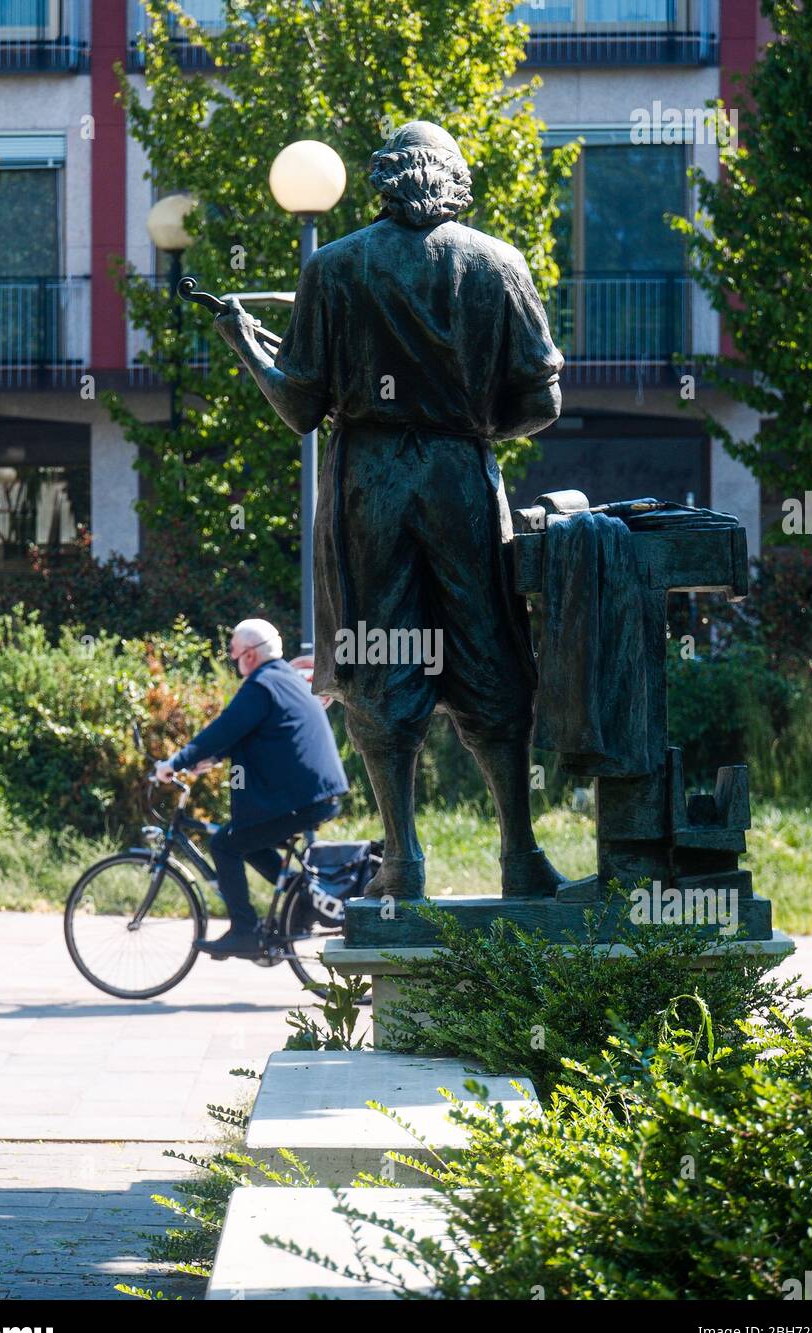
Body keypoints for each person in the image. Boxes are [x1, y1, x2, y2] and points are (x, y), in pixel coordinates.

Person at [211, 121, 565, 901]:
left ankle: (403, 862)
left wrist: (244, 343)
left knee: (377, 653)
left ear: (382, 177)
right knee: (489, 649)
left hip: (366, 479)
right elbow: (541, 400)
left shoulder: (333, 267)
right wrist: (469, 431)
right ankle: (520, 854)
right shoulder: (497, 262)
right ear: (453, 179)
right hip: (461, 478)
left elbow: (300, 405)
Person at [154, 618, 348, 957]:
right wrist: (211, 760)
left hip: (300, 797)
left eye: (233, 650)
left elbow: (226, 728)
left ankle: (244, 931)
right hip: (313, 793)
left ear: (250, 654)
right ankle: (298, 896)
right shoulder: (284, 679)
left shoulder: (262, 684)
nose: (231, 657)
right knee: (245, 838)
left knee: (225, 845)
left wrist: (176, 762)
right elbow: (253, 731)